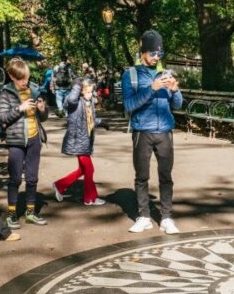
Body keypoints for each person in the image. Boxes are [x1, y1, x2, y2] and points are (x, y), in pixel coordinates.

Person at [122, 29, 183, 235]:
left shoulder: (165, 74)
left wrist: (175, 90)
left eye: (160, 54)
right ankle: (144, 216)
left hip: (165, 131)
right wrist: (152, 88)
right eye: (153, 53)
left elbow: (177, 104)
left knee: (166, 176)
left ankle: (166, 217)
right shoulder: (130, 75)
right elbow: (130, 105)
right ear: (143, 53)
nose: (157, 57)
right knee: (142, 176)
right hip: (142, 131)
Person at [0, 58, 49, 229]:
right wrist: (20, 108)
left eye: (26, 77)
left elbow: (42, 117)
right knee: (15, 178)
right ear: (12, 76)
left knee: (32, 177)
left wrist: (42, 109)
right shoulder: (6, 93)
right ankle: (12, 213)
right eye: (20, 79)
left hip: (34, 138)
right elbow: (3, 117)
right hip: (16, 140)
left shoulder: (34, 89)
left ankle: (31, 211)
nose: (24, 82)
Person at [53, 78, 109, 206]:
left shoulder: (89, 103)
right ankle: (90, 198)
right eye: (88, 92)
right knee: (90, 169)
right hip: (78, 141)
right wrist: (77, 85)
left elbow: (91, 119)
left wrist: (102, 123)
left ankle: (59, 185)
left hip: (86, 141)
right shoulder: (75, 102)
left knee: (83, 170)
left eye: (91, 92)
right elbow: (70, 100)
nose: (91, 95)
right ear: (81, 92)